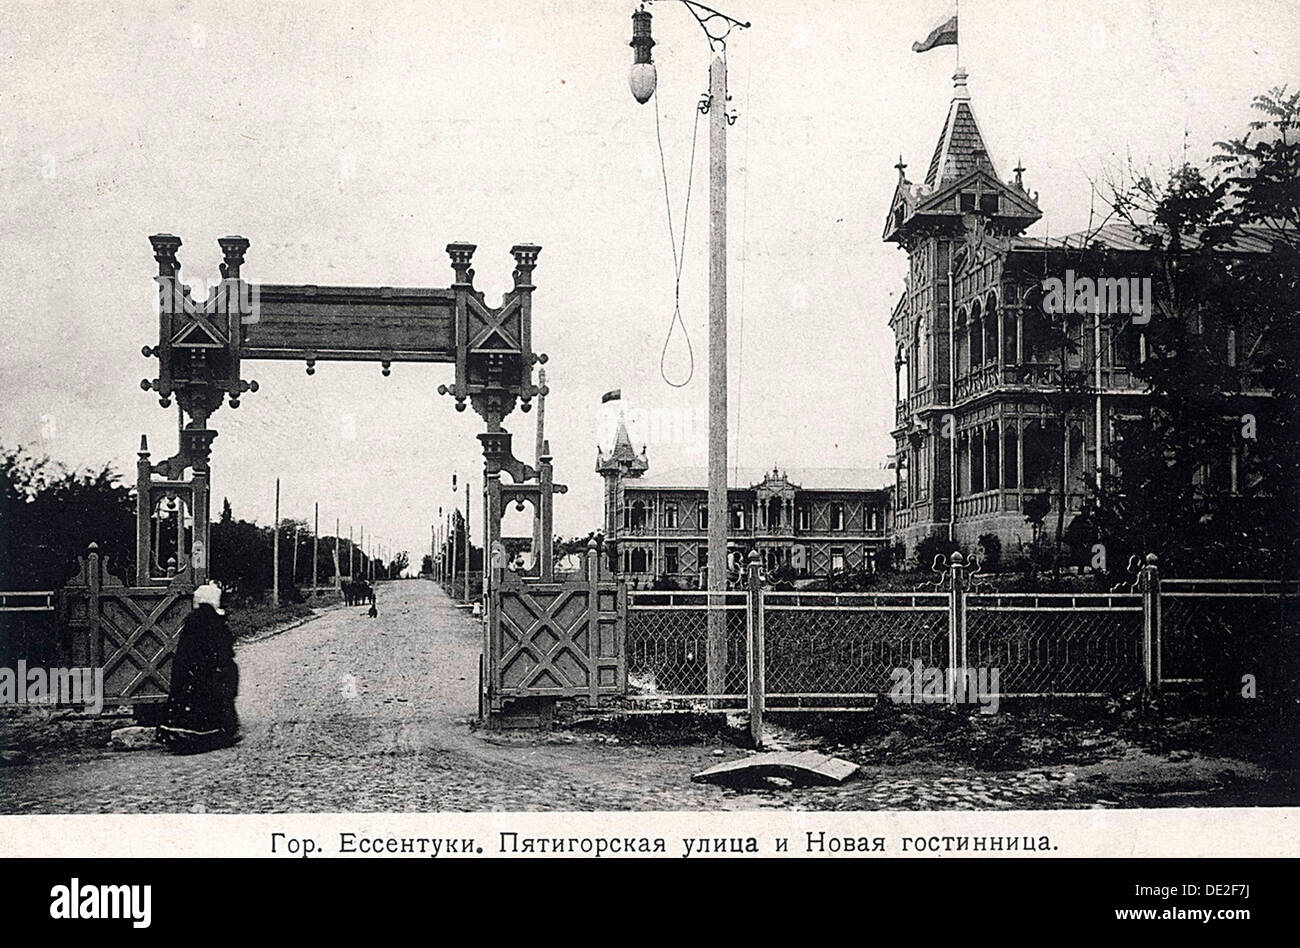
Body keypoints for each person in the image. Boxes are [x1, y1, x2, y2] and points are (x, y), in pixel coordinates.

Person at [157, 583, 240, 753]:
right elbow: (225, 649)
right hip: (207, 677)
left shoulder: (191, 622)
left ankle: (177, 729)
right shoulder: (216, 623)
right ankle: (216, 730)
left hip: (186, 676)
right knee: (225, 678)